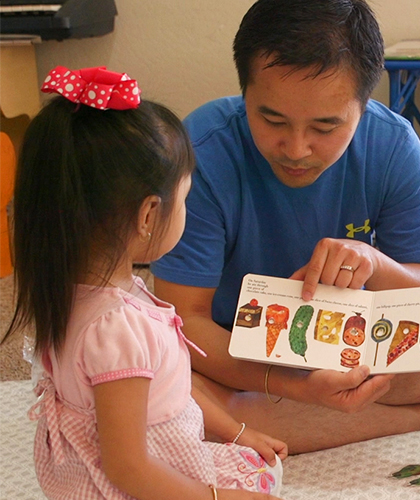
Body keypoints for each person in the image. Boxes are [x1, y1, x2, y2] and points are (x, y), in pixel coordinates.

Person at [151, 0, 420, 453]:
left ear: (364, 107)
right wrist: (296, 386)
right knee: (166, 392)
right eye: (271, 119)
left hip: (349, 343)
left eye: (325, 126)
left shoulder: (393, 145)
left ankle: (305, 413)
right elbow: (184, 319)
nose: (297, 149)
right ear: (243, 93)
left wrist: (373, 262)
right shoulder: (203, 149)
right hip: (236, 356)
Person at [4, 66, 286, 499]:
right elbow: (128, 468)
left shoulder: (78, 291)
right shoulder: (116, 329)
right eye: (186, 198)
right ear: (149, 214)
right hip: (134, 485)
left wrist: (237, 432)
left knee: (253, 464)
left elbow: (170, 384)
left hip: (147, 460)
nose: (186, 210)